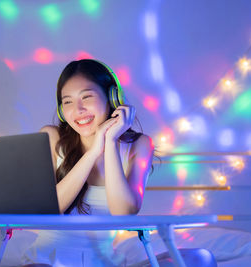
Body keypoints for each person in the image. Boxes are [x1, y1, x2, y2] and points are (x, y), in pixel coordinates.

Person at [21, 59, 216, 267]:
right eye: (67, 101)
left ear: (111, 98)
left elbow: (123, 212)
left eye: (86, 97)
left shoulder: (139, 145)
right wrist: (94, 151)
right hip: (47, 262)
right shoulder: (51, 138)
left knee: (200, 259)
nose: (78, 109)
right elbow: (50, 209)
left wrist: (110, 141)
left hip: (105, 263)